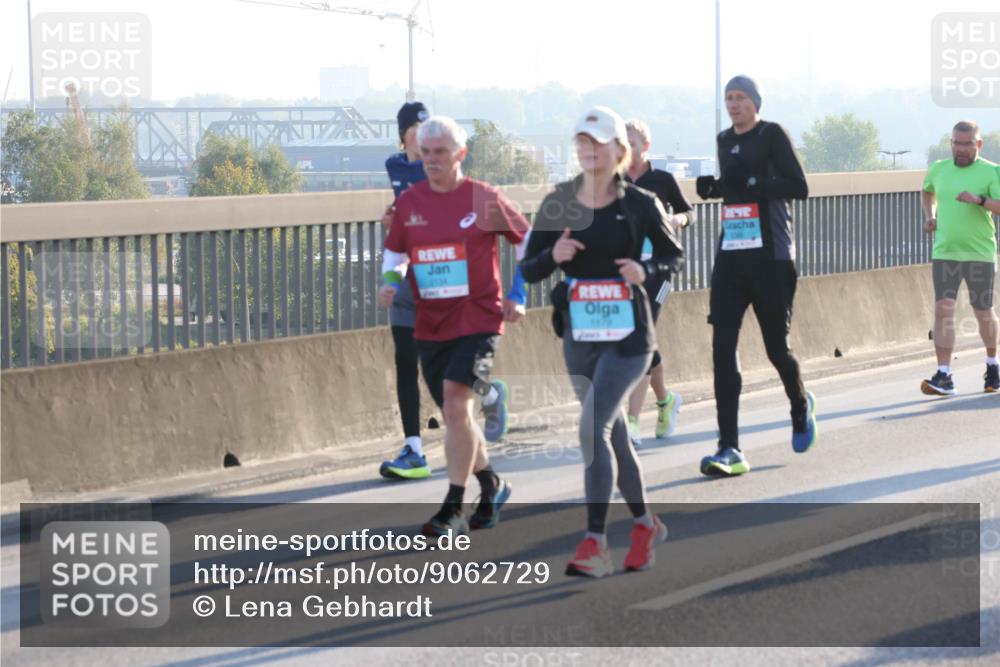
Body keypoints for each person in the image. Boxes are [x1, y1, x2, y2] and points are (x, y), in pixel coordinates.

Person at [521, 107, 683, 577]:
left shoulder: (639, 202)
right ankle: (643, 524)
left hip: (630, 338)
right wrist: (554, 253)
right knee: (612, 433)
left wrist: (644, 270)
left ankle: (595, 543)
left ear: (619, 150)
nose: (589, 149)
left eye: (598, 141)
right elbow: (529, 267)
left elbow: (674, 256)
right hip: (579, 335)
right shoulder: (560, 203)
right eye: (582, 141)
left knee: (592, 429)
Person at [378, 116, 530, 537]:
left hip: (480, 319)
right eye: (425, 153)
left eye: (440, 152)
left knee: (455, 407)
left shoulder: (483, 198)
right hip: (430, 323)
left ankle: (453, 509)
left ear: (461, 154)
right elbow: (395, 256)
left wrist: (519, 294)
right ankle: (491, 483)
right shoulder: (410, 203)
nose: (431, 160)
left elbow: (529, 242)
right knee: (457, 417)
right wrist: (390, 285)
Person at [694, 75, 816, 477]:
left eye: (741, 97)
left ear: (756, 101)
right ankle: (729, 447)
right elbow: (735, 192)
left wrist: (756, 183)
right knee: (722, 349)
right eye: (729, 98)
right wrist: (715, 188)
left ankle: (800, 406)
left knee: (776, 349)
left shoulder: (772, 135)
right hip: (732, 256)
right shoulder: (724, 139)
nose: (733, 104)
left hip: (772, 258)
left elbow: (799, 187)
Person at [623, 119, 695, 446]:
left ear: (645, 146)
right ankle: (665, 400)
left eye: (633, 144)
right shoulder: (615, 182)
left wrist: (677, 219)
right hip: (626, 272)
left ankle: (633, 422)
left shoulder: (662, 180)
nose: (627, 150)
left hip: (660, 272)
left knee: (641, 337)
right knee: (641, 339)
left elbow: (688, 212)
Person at [920, 120, 1000, 395]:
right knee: (943, 309)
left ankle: (993, 365)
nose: (961, 149)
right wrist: (930, 217)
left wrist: (979, 200)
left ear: (978, 144)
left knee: (983, 312)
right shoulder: (938, 169)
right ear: (951, 143)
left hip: (980, 253)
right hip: (945, 252)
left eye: (967, 144)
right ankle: (944, 375)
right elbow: (928, 190)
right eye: (956, 143)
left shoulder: (991, 172)